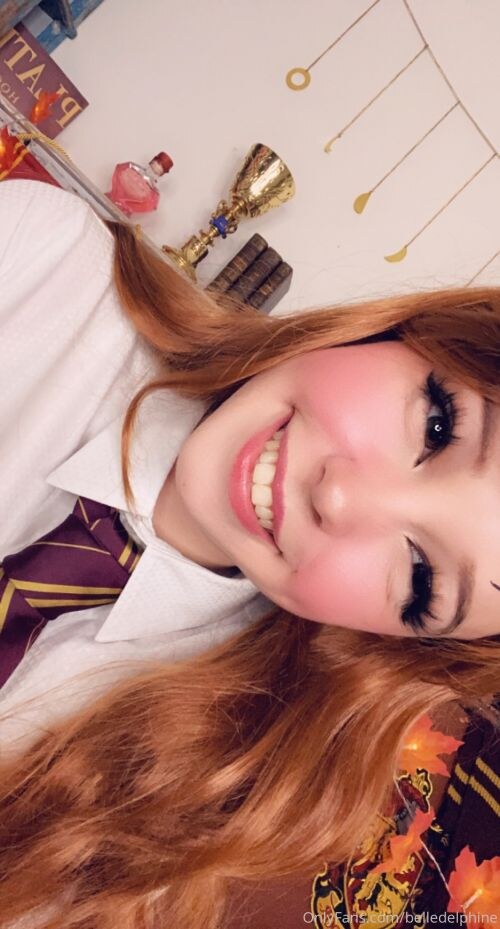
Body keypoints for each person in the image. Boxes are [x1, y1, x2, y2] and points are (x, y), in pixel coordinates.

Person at [0, 177, 498, 929]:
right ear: (410, 333)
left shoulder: (189, 809)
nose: (340, 498)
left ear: (397, 639)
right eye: (438, 426)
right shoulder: (39, 263)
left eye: (423, 580)